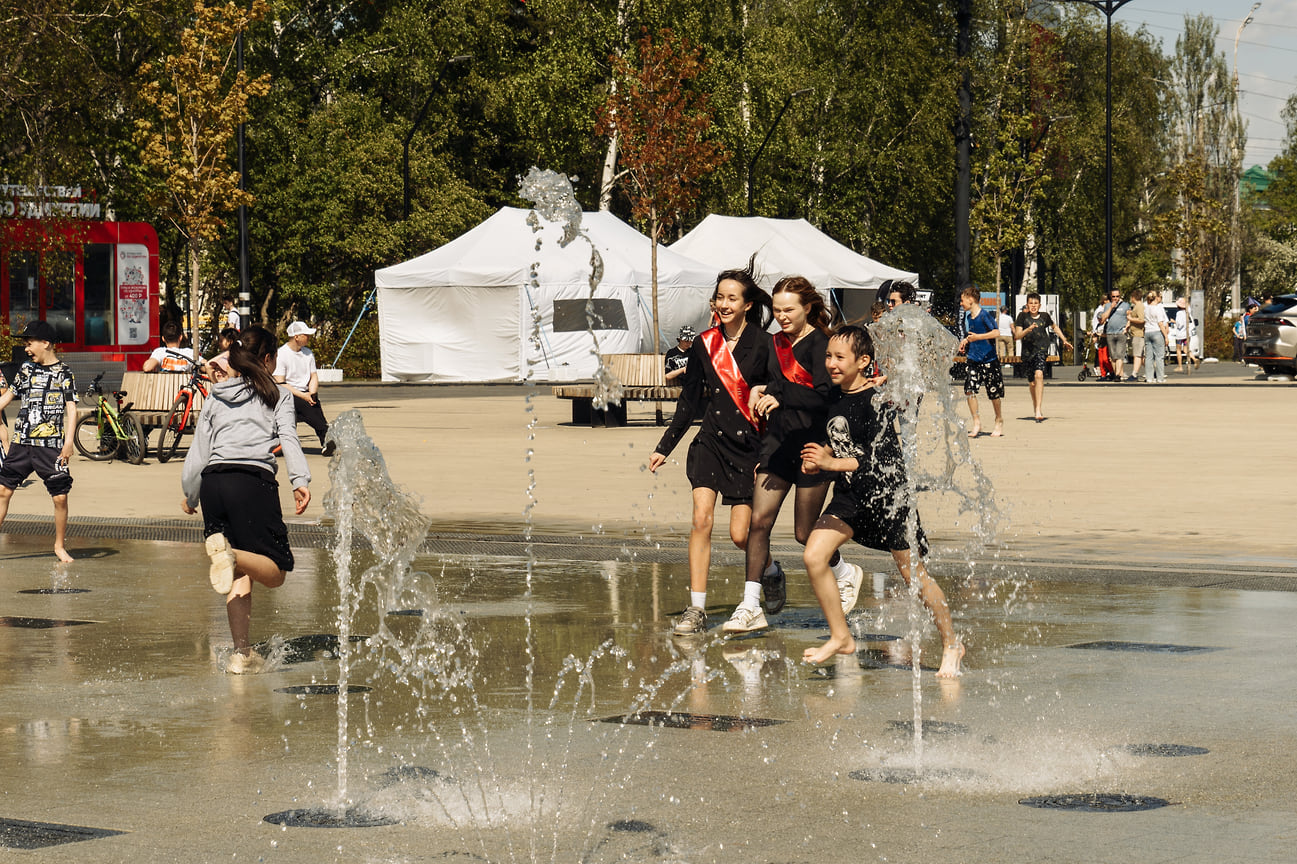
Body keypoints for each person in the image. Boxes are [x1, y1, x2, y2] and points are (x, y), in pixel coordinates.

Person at [799, 325, 962, 677]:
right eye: (828, 355)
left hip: (889, 497)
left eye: (840, 357)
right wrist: (820, 456)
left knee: (913, 577)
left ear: (864, 361)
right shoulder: (833, 397)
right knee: (814, 555)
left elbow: (879, 459)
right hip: (850, 496)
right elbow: (842, 437)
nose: (831, 363)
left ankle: (951, 642)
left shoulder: (878, 400)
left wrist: (830, 463)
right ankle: (841, 636)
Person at [722, 276, 863, 635]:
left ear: (808, 309)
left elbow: (822, 398)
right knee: (759, 522)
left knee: (804, 533)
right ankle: (750, 604)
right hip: (778, 444)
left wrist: (780, 391)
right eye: (777, 310)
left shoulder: (822, 345)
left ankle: (845, 571)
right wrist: (759, 390)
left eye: (789, 310)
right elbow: (768, 383)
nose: (781, 316)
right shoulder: (774, 344)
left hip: (814, 446)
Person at [648, 262, 772, 636]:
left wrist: (766, 457)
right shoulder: (705, 343)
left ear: (748, 304)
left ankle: (771, 569)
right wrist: (664, 446)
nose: (724, 303)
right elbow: (689, 401)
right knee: (701, 520)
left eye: (732, 298)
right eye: (720, 297)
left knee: (740, 535)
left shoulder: (765, 345)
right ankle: (696, 609)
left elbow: (776, 400)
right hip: (710, 443)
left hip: (748, 449)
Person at [181, 326, 311, 674]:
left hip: (213, 484)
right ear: (267, 360)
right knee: (277, 570)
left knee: (237, 571)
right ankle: (230, 552)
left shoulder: (216, 396)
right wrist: (300, 480)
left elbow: (199, 451)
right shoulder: (277, 395)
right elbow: (289, 438)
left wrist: (190, 492)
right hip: (251, 482)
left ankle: (241, 654)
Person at [0, 321, 78, 563]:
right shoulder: (26, 370)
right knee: (3, 491)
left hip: (51, 446)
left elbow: (72, 410)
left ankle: (59, 546)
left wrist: (68, 443)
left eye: (29, 343)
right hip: (21, 442)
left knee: (60, 497)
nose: (26, 348)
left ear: (45, 343)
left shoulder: (64, 373)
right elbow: (6, 398)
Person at [274, 321, 334, 456]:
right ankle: (327, 437)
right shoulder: (281, 354)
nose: (308, 337)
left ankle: (326, 440)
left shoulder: (308, 353)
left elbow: (313, 375)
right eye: (306, 335)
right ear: (296, 337)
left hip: (305, 392)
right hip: (287, 393)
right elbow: (280, 382)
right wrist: (303, 396)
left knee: (314, 406)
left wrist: (312, 393)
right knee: (308, 409)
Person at [1014, 292, 1072, 422]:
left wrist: (1064, 340)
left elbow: (1054, 327)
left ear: (1039, 305)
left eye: (1035, 303)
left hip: (1041, 349)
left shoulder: (1045, 316)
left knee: (1039, 375)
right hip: (1027, 352)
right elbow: (1017, 336)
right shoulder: (1022, 316)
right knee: (1032, 382)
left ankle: (1038, 409)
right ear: (1027, 305)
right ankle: (1036, 406)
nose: (1033, 306)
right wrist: (1027, 330)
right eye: (1031, 303)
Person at [957, 287, 1004, 438]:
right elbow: (971, 335)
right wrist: (965, 340)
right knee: (969, 389)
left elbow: (996, 332)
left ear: (971, 299)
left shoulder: (984, 316)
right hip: (973, 359)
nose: (961, 303)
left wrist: (978, 337)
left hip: (989, 360)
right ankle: (976, 422)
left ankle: (998, 419)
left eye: (962, 300)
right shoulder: (969, 317)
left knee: (993, 393)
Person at [1097, 288, 1130, 380]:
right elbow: (1103, 319)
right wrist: (1111, 307)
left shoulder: (1125, 305)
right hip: (1110, 333)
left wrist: (1127, 327)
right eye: (1113, 296)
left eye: (1117, 296)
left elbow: (1129, 317)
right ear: (1111, 297)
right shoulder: (1107, 306)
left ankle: (1118, 375)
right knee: (1113, 356)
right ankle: (1116, 373)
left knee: (1119, 355)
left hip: (1121, 332)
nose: (1115, 298)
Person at [1143, 290, 1169, 383]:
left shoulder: (1146, 308)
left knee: (1149, 356)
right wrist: (1166, 336)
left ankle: (1149, 377)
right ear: (1156, 298)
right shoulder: (1158, 308)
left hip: (1147, 331)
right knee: (1159, 356)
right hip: (1157, 332)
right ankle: (1160, 377)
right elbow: (1160, 323)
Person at [1172, 299, 1198, 373]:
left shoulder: (1179, 313)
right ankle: (1194, 358)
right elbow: (1189, 307)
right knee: (1186, 349)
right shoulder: (1187, 312)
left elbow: (1179, 324)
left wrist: (1174, 322)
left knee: (1178, 350)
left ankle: (1180, 366)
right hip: (1187, 334)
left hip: (1180, 334)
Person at [1127, 290, 1145, 381]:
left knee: (1137, 355)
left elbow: (1142, 319)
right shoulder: (1136, 307)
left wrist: (1130, 318)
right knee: (1141, 356)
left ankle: (1134, 374)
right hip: (1135, 334)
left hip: (1139, 334)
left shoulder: (1139, 307)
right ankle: (1153, 371)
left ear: (1133, 298)